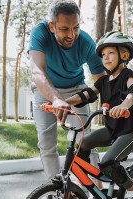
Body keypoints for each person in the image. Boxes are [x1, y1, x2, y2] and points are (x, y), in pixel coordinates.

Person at [65, 31, 133, 199]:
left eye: (110, 53)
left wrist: (124, 104)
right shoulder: (102, 81)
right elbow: (86, 95)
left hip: (130, 132)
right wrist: (63, 102)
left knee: (108, 162)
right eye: (103, 55)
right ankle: (93, 186)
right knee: (81, 145)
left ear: (124, 55)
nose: (105, 57)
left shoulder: (127, 75)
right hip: (111, 130)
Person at [28, 0, 105, 186]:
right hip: (45, 88)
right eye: (64, 29)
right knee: (46, 143)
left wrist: (87, 98)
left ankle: (98, 191)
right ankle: (56, 192)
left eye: (76, 27)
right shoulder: (41, 33)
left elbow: (102, 81)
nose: (72, 35)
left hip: (76, 87)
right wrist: (55, 98)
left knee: (86, 141)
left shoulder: (86, 42)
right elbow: (37, 71)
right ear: (52, 26)